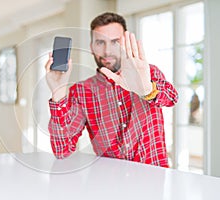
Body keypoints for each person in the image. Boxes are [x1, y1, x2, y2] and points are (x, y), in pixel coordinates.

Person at [45, 12, 178, 167]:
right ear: (91, 47)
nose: (107, 51)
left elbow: (171, 98)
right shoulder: (81, 91)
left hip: (153, 182)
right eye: (100, 42)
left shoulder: (147, 73)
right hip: (108, 185)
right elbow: (62, 150)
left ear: (125, 44)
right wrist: (58, 91)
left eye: (115, 42)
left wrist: (147, 89)